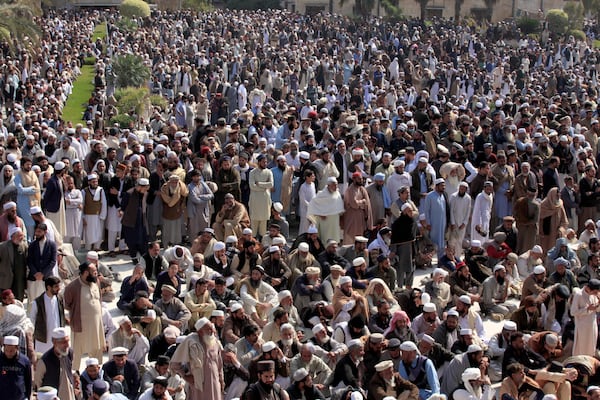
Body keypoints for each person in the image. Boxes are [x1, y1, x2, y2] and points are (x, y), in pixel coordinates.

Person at [63, 262, 105, 369]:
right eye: (94, 272)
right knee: (77, 350)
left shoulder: (96, 282)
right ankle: (75, 372)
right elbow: (67, 304)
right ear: (86, 273)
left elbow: (99, 298)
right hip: (80, 326)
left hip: (96, 325)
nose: (96, 274)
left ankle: (96, 370)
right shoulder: (72, 287)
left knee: (96, 347)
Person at [170, 318, 224, 400]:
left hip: (214, 382)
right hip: (198, 383)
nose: (212, 331)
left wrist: (221, 381)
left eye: (212, 328)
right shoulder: (191, 342)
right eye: (208, 329)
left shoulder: (215, 342)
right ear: (200, 331)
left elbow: (219, 365)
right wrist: (185, 376)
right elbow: (175, 363)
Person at [34, 327, 76, 400]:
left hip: (69, 393)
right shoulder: (45, 361)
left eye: (67, 341)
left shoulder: (69, 353)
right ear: (54, 342)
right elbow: (38, 382)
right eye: (63, 342)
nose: (67, 345)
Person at [29, 276, 65, 354]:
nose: (58, 289)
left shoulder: (59, 299)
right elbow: (32, 320)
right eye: (56, 287)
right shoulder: (37, 302)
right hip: (43, 338)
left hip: (57, 337)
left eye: (59, 286)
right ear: (48, 287)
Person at [120, 178, 150, 264]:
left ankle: (143, 258)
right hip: (130, 222)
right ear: (140, 186)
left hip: (141, 221)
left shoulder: (145, 194)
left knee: (143, 240)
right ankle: (134, 258)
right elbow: (123, 206)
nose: (146, 190)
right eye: (145, 187)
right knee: (132, 240)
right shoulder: (129, 194)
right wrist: (121, 211)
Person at [307, 177, 344, 243]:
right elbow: (312, 205)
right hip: (325, 222)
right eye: (334, 185)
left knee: (334, 239)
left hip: (334, 221)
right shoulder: (321, 194)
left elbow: (339, 208)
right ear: (329, 185)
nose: (336, 187)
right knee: (324, 239)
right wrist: (320, 214)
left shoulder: (337, 194)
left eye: (336, 185)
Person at [26, 223, 57, 302]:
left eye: (39, 232)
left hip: (46, 278)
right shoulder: (32, 245)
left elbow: (53, 261)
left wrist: (43, 274)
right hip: (34, 278)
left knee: (47, 301)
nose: (37, 234)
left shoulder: (52, 245)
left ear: (45, 232)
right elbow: (29, 261)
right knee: (32, 302)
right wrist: (36, 273)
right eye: (36, 232)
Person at [570, 279, 600, 357]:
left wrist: (598, 305)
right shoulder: (578, 295)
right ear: (589, 288)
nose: (595, 293)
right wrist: (587, 309)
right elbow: (573, 312)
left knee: (591, 347)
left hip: (592, 325)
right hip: (582, 327)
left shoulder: (594, 295)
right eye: (594, 292)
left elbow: (597, 309)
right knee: (581, 348)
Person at [422, 178, 449, 260]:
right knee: (433, 243)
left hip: (442, 223)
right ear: (436, 186)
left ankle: (440, 260)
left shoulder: (443, 196)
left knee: (441, 243)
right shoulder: (430, 196)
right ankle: (428, 260)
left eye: (444, 186)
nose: (443, 187)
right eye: (442, 186)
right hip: (433, 224)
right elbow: (427, 211)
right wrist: (428, 223)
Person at [249, 154, 274, 238]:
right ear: (259, 162)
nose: (265, 163)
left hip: (265, 200)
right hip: (255, 200)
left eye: (266, 162)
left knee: (263, 226)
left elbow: (271, 184)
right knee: (254, 224)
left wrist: (259, 183)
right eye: (263, 162)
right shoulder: (253, 172)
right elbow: (252, 186)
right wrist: (264, 187)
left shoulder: (269, 172)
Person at [0, 227, 28, 301]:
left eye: (22, 236)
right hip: (6, 280)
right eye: (19, 236)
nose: (21, 238)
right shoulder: (2, 247)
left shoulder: (24, 246)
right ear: (12, 236)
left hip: (19, 281)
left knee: (18, 301)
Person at [0, 335, 32, 400]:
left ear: (17, 348)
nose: (8, 353)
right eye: (6, 350)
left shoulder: (24, 361)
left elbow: (28, 381)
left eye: (11, 351)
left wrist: (29, 396)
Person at [81, 174, 107, 251]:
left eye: (96, 182)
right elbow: (82, 205)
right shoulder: (84, 191)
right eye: (93, 182)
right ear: (89, 182)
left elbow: (104, 203)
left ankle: (97, 248)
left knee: (98, 233)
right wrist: (82, 217)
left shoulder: (101, 190)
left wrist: (103, 216)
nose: (95, 183)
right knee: (89, 234)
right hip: (88, 216)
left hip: (98, 216)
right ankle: (88, 250)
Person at [161, 175, 189, 247]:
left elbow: (185, 194)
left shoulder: (181, 188)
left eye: (176, 181)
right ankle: (165, 244)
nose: (174, 183)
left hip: (177, 212)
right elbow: (167, 200)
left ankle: (175, 245)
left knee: (176, 230)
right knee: (166, 230)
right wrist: (172, 201)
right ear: (169, 181)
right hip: (167, 212)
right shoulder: (164, 188)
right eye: (172, 181)